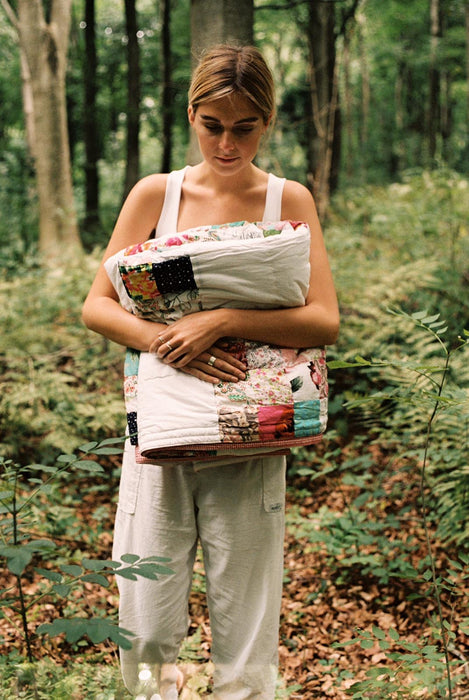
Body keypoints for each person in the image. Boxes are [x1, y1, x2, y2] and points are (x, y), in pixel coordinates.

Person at [82, 44, 339, 700]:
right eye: (212, 124)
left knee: (246, 632)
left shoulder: (285, 200)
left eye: (244, 127)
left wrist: (221, 320)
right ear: (190, 114)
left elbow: (322, 320)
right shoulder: (158, 197)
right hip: (159, 439)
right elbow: (98, 302)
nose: (227, 142)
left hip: (251, 441)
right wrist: (164, 337)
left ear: (268, 120)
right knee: (145, 626)